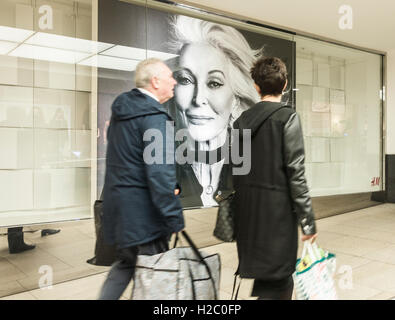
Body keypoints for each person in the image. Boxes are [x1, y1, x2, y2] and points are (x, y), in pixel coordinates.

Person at [98, 58, 185, 300]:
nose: (174, 81)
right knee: (155, 277)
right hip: (145, 217)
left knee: (125, 266)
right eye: (170, 77)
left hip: (120, 211)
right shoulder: (155, 117)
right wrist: (173, 216)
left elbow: (129, 161)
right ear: (155, 81)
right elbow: (158, 173)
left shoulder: (122, 111)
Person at [232, 57, 317, 300]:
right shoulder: (288, 118)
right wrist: (307, 222)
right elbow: (296, 174)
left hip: (249, 216)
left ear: (256, 87)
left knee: (267, 278)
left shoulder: (240, 122)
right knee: (280, 282)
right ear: (286, 84)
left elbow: (236, 172)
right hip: (278, 219)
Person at [170, 16, 262, 207]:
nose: (198, 98)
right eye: (186, 80)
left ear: (236, 98)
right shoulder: (160, 159)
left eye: (214, 83)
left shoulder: (253, 161)